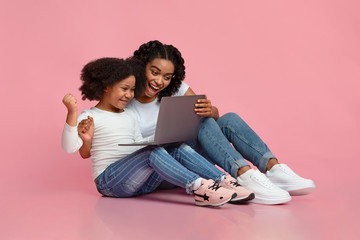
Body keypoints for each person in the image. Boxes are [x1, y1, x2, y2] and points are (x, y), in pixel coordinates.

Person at [79, 41, 315, 205]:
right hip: (161, 167)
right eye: (154, 72)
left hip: (186, 153)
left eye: (167, 76)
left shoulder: (176, 89)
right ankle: (243, 176)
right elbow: (111, 136)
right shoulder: (125, 98)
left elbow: (210, 122)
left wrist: (211, 111)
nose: (160, 81)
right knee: (197, 126)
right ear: (141, 67)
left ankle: (272, 168)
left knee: (225, 118)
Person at [61, 57, 254, 207]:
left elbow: (138, 143)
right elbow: (74, 149)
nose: (129, 95)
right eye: (124, 89)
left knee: (175, 147)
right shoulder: (91, 116)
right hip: (110, 182)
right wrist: (72, 115)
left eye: (132, 90)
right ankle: (199, 189)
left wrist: (166, 138)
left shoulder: (129, 115)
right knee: (151, 153)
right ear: (105, 87)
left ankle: (222, 180)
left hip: (140, 184)